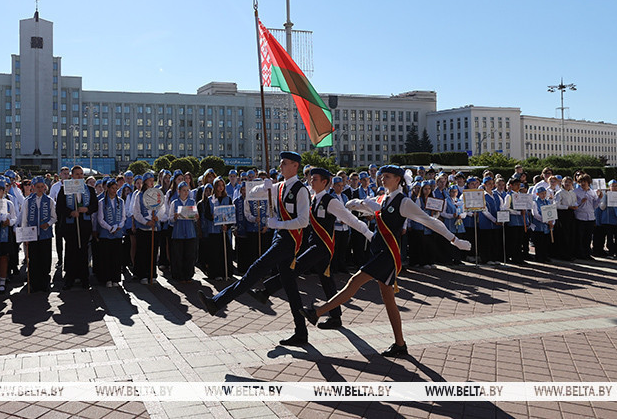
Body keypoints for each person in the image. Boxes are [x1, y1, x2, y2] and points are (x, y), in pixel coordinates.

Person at [300, 166, 471, 356]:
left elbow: (429, 221)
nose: (382, 179)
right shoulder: (383, 198)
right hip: (379, 251)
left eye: (387, 176)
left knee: (354, 282)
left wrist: (455, 240)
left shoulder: (403, 202)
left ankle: (316, 313)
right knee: (388, 299)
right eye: (382, 176)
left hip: (388, 254)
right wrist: (356, 204)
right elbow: (370, 206)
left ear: (398, 179)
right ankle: (400, 344)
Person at [248, 168, 373, 341]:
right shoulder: (312, 198)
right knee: (326, 281)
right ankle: (335, 317)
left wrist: (370, 235)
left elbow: (350, 219)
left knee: (295, 268)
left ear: (325, 182)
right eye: (310, 178)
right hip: (314, 245)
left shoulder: (331, 201)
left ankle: (266, 291)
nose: (311, 181)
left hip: (322, 247)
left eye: (315, 179)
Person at [197, 152, 310, 326]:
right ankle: (301, 331)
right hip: (279, 237)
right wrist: (262, 187)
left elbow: (303, 221)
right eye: (280, 163)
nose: (280, 166)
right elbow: (252, 193)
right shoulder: (278, 187)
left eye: (284, 163)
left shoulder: (300, 190)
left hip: (289, 241)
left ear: (295, 166)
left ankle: (217, 302)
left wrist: (278, 224)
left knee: (254, 270)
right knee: (290, 287)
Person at [56, 166, 98, 290]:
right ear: (72, 176)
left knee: (83, 251)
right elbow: (59, 207)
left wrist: (87, 209)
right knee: (71, 251)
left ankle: (84, 278)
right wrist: (70, 212)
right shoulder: (65, 189)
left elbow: (95, 205)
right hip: (70, 225)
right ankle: (69, 278)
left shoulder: (89, 189)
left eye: (81, 174)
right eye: (77, 174)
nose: (79, 176)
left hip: (84, 225)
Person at [20, 176, 56, 292]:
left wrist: (49, 223)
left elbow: (54, 217)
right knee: (34, 259)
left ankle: (45, 282)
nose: (40, 189)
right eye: (37, 187)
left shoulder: (49, 200)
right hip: (32, 235)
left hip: (45, 235)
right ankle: (34, 283)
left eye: (42, 187)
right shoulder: (28, 201)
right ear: (33, 188)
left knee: (45, 259)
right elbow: (24, 220)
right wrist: (25, 236)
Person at [131, 172, 166, 284]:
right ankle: (142, 275)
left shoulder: (156, 194)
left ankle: (152, 274)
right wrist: (146, 222)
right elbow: (136, 212)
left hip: (154, 229)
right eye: (150, 180)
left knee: (153, 251)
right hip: (143, 228)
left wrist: (157, 217)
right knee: (143, 252)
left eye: (152, 180)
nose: (152, 182)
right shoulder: (139, 195)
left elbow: (162, 209)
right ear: (145, 182)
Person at [95, 178, 125, 288]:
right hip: (106, 234)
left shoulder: (120, 201)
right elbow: (100, 219)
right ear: (107, 188)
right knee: (106, 257)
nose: (114, 190)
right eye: (112, 188)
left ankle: (116, 278)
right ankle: (107, 278)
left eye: (116, 188)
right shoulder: (102, 202)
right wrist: (109, 227)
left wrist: (118, 226)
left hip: (117, 234)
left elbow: (123, 217)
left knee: (116, 257)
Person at [167, 181, 199, 283]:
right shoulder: (174, 203)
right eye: (183, 190)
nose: (185, 193)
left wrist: (196, 217)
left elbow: (195, 217)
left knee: (189, 254)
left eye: (187, 190)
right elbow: (170, 219)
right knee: (178, 255)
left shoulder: (192, 202)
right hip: (178, 232)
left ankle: (188, 275)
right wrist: (174, 217)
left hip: (190, 232)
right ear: (179, 191)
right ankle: (178, 275)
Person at [573, 173, 601, 260]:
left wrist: (599, 198)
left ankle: (587, 253)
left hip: (590, 217)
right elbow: (574, 205)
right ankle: (580, 254)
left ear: (588, 182)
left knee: (588, 237)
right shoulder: (576, 192)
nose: (583, 183)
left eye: (584, 181)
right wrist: (581, 202)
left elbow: (595, 205)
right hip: (580, 216)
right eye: (581, 182)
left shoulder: (592, 192)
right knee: (580, 237)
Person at [49, 166, 70, 278]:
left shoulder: (72, 185)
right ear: (60, 174)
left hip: (69, 215)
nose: (66, 175)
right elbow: (51, 200)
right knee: (58, 239)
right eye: (64, 173)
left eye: (68, 173)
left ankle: (67, 259)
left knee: (68, 239)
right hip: (59, 216)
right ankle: (60, 259)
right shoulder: (55, 186)